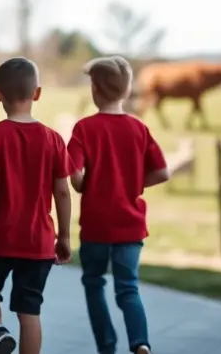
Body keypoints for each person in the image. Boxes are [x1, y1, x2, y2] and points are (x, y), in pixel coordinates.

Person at [0, 57, 72, 354]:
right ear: (38, 93)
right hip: (38, 240)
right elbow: (63, 191)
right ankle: (7, 334)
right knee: (29, 311)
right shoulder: (54, 140)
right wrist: (66, 236)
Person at [68, 56, 170, 354]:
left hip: (96, 227)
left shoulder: (84, 128)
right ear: (126, 92)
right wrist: (134, 184)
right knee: (128, 288)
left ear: (95, 91)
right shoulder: (139, 129)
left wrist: (86, 185)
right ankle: (140, 343)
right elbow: (162, 172)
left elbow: (74, 174)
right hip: (130, 227)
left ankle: (107, 346)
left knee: (94, 283)